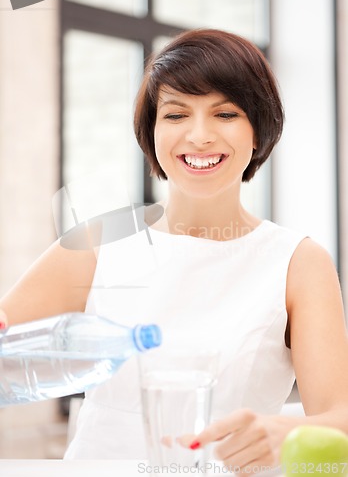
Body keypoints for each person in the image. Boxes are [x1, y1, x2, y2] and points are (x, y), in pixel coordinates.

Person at [1, 28, 348, 471]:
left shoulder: (298, 262)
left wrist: (292, 431)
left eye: (225, 114)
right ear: (152, 131)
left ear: (258, 131)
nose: (199, 137)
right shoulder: (97, 242)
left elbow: (339, 418)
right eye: (176, 114)